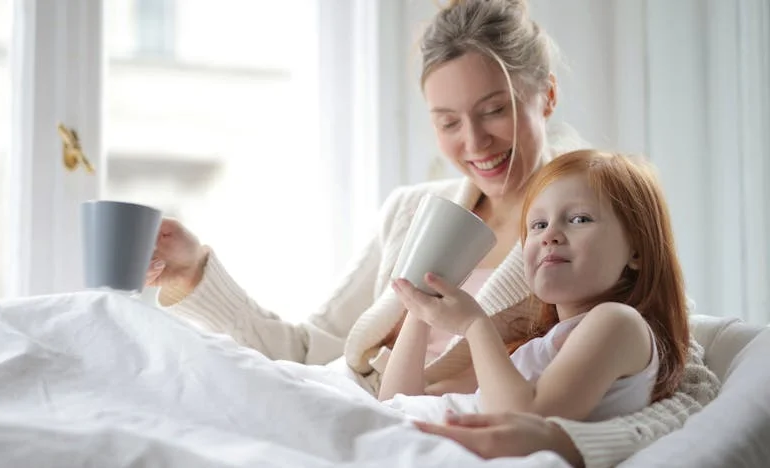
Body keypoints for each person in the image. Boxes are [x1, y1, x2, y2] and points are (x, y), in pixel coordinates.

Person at [144, 0, 720, 466]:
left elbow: (684, 385)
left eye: (494, 110)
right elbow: (310, 350)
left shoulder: (600, 225)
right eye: (447, 122)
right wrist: (196, 275)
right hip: (372, 407)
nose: (474, 141)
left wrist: (564, 442)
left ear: (545, 95)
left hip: (447, 435)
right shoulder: (411, 212)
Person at [381, 150, 695, 426]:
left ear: (637, 251)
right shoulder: (537, 348)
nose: (550, 235)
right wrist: (420, 309)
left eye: (579, 219)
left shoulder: (618, 323)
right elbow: (397, 403)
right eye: (538, 225)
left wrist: (474, 325)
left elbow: (527, 419)